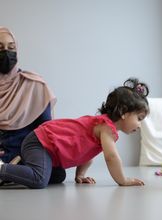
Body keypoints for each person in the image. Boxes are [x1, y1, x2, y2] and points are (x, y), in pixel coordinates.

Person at [0, 78, 149, 188]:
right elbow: (111, 157)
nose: (140, 124)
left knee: (59, 176)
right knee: (39, 180)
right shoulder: (106, 128)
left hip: (47, 151)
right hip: (40, 142)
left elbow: (88, 153)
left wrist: (80, 175)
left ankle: (17, 170)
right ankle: (2, 168)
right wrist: (123, 180)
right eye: (139, 118)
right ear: (123, 112)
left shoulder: (103, 128)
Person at [0, 26, 64, 184]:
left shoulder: (34, 85)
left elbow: (46, 131)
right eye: (0, 48)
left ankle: (8, 173)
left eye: (11, 48)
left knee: (56, 175)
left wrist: (20, 156)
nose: (7, 53)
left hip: (26, 156)